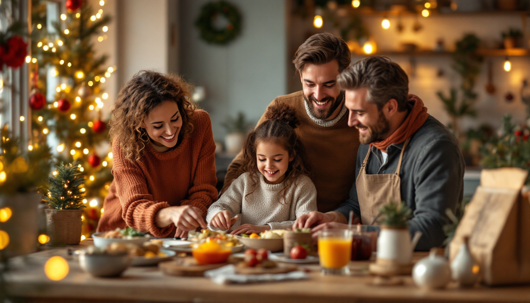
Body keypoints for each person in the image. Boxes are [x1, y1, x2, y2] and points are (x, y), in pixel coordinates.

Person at [294, 56, 465, 250]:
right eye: (350, 111)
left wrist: (354, 234)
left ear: (390, 107)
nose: (351, 122)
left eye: (359, 112)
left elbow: (433, 229)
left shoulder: (435, 148)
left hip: (418, 269)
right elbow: (357, 204)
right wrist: (331, 217)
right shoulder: (371, 138)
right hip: (372, 263)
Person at [222, 33, 359, 220]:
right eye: (309, 84)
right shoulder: (282, 107)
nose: (318, 95)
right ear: (301, 76)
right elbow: (242, 164)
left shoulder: (360, 116)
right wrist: (225, 209)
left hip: (338, 223)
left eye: (329, 84)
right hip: (284, 225)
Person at [97, 71, 218, 238]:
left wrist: (191, 214)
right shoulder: (124, 143)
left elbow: (205, 190)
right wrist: (171, 214)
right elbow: (135, 208)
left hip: (179, 237)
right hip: (125, 235)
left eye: (175, 118)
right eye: (158, 125)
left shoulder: (200, 124)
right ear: (140, 123)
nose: (170, 131)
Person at [207, 104, 317, 234]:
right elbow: (217, 207)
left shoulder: (302, 185)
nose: (269, 166)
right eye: (262, 159)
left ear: (291, 155)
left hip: (284, 250)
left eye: (277, 159)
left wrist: (266, 228)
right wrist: (218, 214)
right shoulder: (245, 181)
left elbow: (306, 224)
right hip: (246, 250)